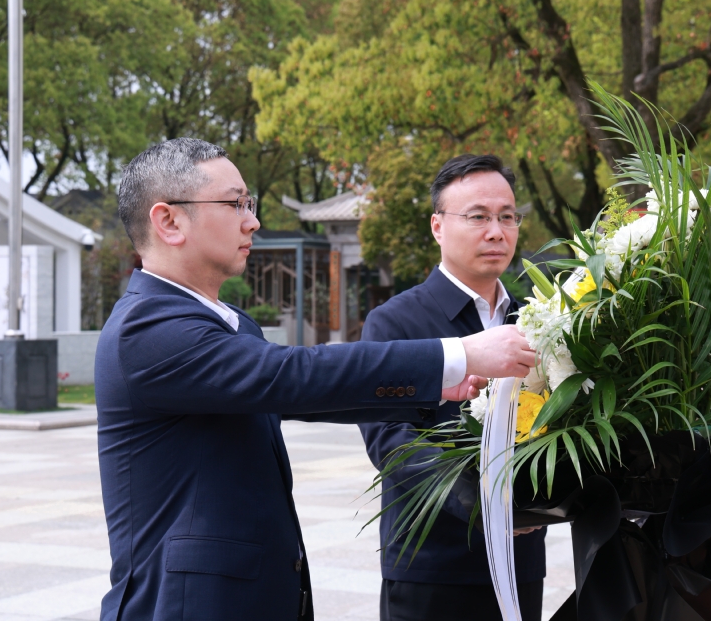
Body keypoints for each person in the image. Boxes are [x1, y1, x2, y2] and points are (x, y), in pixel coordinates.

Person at [94, 139, 537, 620]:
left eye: (250, 203)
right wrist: (458, 354)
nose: (252, 220)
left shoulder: (231, 322)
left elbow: (296, 394)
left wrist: (432, 384)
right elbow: (290, 375)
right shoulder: (147, 328)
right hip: (185, 605)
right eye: (234, 203)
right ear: (169, 221)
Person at [359, 154, 547, 621]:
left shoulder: (540, 318)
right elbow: (390, 441)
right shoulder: (395, 322)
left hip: (522, 562)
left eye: (507, 217)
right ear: (437, 226)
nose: (496, 231)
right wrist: (483, 502)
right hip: (431, 566)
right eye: (478, 216)